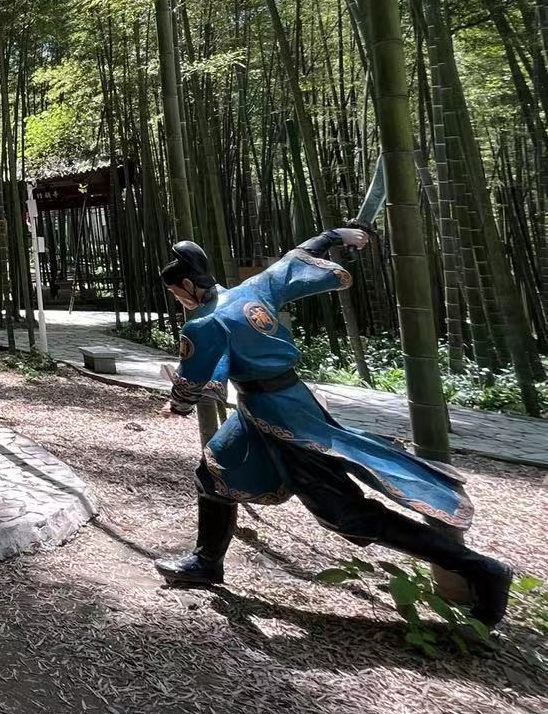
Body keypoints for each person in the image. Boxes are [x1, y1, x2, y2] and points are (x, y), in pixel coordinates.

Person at [153, 229, 512, 625]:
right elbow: (293, 261)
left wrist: (178, 406)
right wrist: (334, 235)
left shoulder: (203, 323)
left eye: (175, 293)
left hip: (282, 419)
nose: (178, 299)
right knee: (212, 474)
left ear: (188, 286)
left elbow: (191, 379)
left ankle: (482, 569)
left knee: (343, 514)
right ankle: (206, 562)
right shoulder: (250, 289)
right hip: (277, 404)